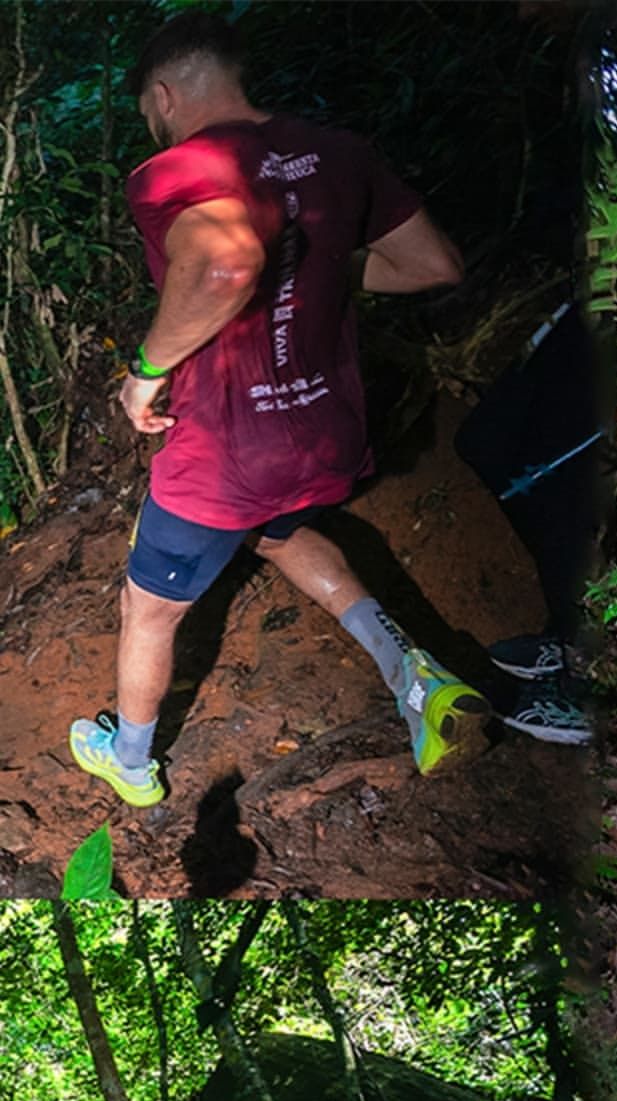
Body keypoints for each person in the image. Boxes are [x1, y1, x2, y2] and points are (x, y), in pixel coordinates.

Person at [70, 12, 485, 807]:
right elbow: (432, 263)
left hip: (226, 453)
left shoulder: (171, 171)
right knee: (279, 531)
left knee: (147, 608)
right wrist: (312, 270)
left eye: (148, 112)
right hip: (328, 436)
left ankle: (128, 763)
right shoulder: (340, 152)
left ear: (163, 95)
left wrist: (146, 372)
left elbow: (225, 267)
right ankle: (415, 678)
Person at [454, 299, 601, 746]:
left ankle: (581, 684)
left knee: (563, 487)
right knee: (482, 441)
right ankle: (564, 631)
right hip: (592, 304)